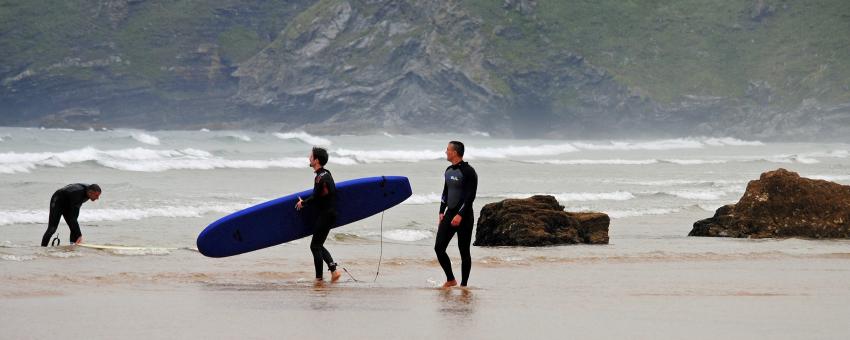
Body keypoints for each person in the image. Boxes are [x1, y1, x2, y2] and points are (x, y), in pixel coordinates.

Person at [295, 147, 342, 284]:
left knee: (315, 246)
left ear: (316, 160)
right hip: (330, 214)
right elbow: (325, 195)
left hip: (325, 215)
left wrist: (303, 203)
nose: (309, 159)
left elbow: (316, 196)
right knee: (318, 245)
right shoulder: (327, 174)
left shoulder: (320, 177)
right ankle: (334, 271)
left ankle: (319, 278)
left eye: (311, 157)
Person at [435, 141, 478, 288]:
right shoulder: (448, 170)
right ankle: (451, 279)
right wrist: (441, 211)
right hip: (449, 213)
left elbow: (470, 197)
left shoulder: (469, 171)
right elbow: (445, 192)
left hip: (465, 215)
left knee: (464, 250)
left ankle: (464, 285)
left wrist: (460, 214)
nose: (445, 152)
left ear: (454, 152)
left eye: (447, 149)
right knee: (439, 248)